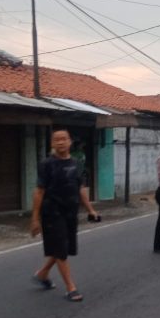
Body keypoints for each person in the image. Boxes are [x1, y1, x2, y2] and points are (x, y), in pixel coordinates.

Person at [30, 129, 98, 302]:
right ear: (52, 143)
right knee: (61, 249)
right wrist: (35, 218)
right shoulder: (46, 164)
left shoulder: (76, 164)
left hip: (70, 212)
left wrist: (90, 210)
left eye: (64, 139)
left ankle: (42, 273)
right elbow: (39, 191)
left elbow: (80, 189)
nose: (60, 142)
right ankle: (71, 288)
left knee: (63, 247)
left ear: (69, 142)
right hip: (52, 213)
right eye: (57, 139)